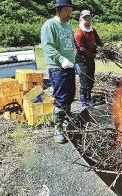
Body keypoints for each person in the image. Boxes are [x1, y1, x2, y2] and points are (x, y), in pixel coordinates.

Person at [41, 0, 75, 143]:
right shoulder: (50, 25)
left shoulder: (67, 26)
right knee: (61, 98)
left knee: (70, 96)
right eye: (67, 11)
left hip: (69, 66)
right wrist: (61, 60)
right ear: (58, 10)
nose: (70, 14)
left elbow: (71, 46)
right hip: (58, 68)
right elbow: (48, 46)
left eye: (71, 11)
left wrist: (75, 61)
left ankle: (68, 122)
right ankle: (58, 129)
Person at [74, 10, 103, 113]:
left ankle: (89, 99)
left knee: (91, 80)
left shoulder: (92, 30)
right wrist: (93, 55)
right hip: (81, 59)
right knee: (84, 81)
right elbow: (81, 48)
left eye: (89, 18)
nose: (88, 21)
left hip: (90, 59)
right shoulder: (79, 32)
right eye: (85, 18)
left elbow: (98, 41)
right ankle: (83, 102)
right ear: (81, 19)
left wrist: (103, 49)